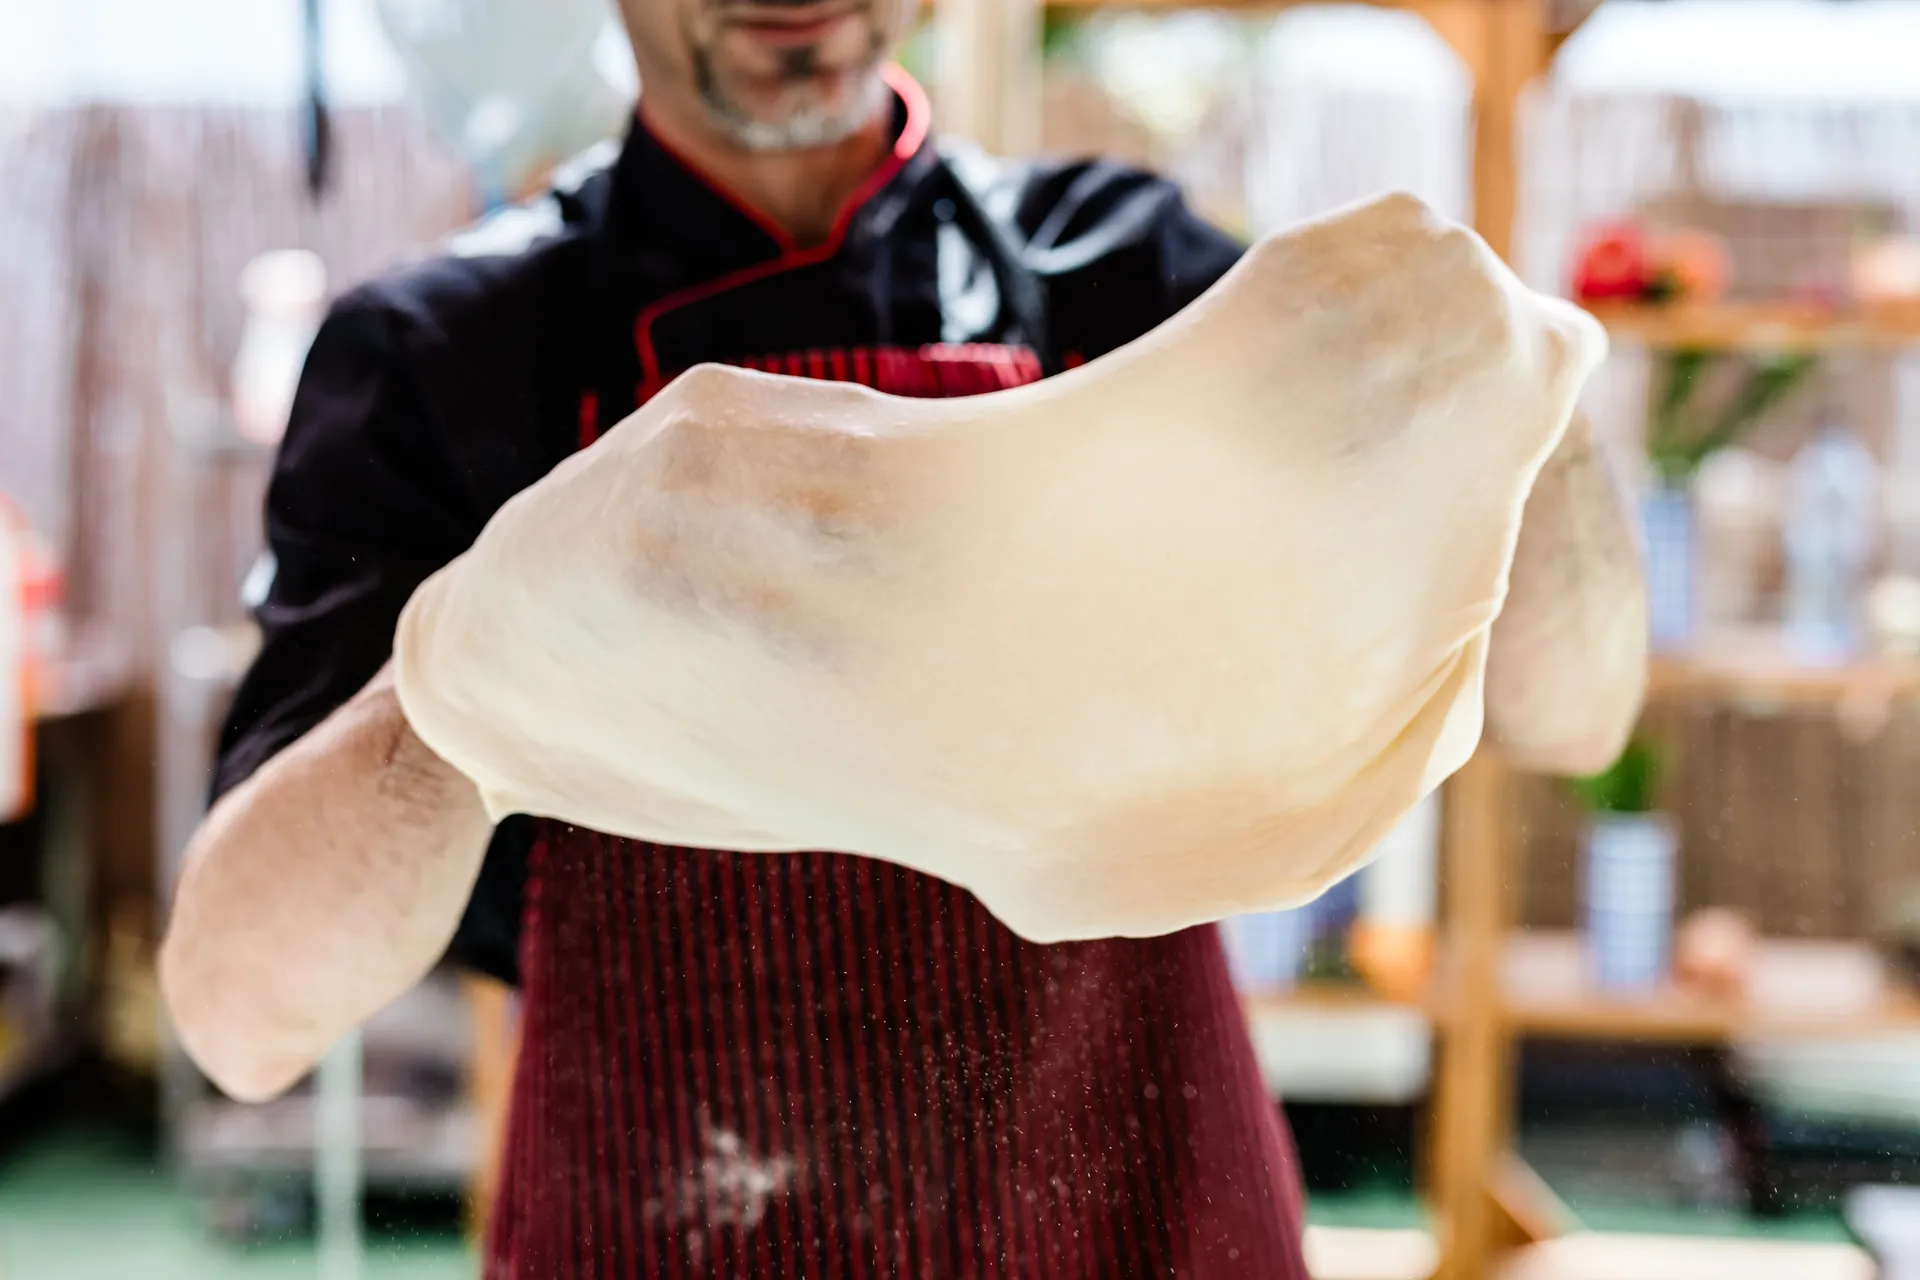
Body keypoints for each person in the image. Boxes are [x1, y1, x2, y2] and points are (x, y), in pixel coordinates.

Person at [159, 0, 1649, 1275]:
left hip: (1134, 1208)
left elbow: (1570, 713)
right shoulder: (440, 361)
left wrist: (1530, 401)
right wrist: (458, 689)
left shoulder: (1136, 282)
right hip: (674, 1216)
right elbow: (241, 1015)